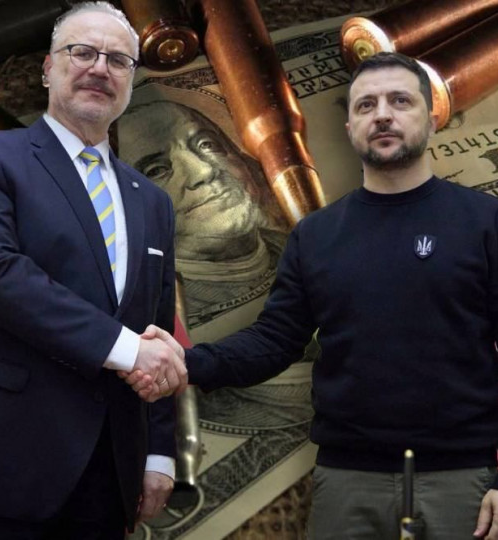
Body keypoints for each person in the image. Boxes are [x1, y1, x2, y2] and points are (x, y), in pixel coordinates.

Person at [125, 52, 498, 539]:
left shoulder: (484, 221)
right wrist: (184, 362)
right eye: (366, 105)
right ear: (349, 127)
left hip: (464, 479)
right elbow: (275, 341)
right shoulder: (317, 235)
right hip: (346, 480)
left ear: (431, 119)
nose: (382, 115)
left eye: (400, 101)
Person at [0, 2, 187, 539]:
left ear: (131, 80)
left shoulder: (153, 201)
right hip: (1, 461)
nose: (99, 68)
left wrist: (158, 451)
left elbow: (157, 330)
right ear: (47, 68)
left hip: (110, 472)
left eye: (118, 60)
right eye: (81, 52)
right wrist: (126, 349)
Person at [120, 101, 288, 334]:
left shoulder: (302, 242)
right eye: (157, 170)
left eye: (206, 144)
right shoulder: (151, 314)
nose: (204, 171)